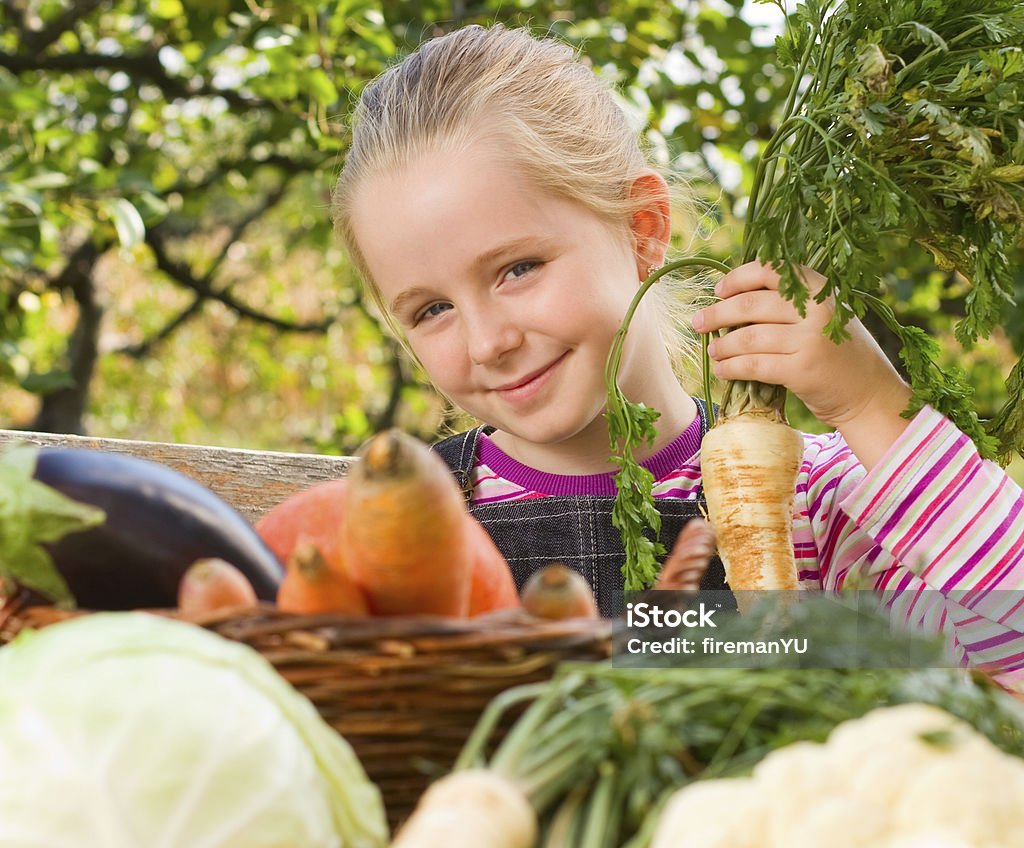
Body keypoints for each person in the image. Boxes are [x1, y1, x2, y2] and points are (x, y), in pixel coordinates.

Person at [331, 23, 1024, 675]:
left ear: (642, 231)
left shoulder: (812, 503)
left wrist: (871, 404)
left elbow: (1012, 650)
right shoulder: (401, 529)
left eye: (518, 269)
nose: (488, 342)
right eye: (433, 310)